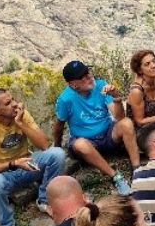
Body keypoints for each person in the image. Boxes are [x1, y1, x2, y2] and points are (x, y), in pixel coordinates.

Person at [0, 88, 68, 226]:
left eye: (13, 99)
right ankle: (7, 225)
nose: (15, 104)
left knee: (57, 154)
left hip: (28, 165)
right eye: (8, 103)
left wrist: (21, 123)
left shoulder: (20, 114)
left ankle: (44, 200)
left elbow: (44, 145)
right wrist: (13, 164)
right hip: (4, 172)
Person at [53, 60, 139, 196]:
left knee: (127, 123)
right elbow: (59, 125)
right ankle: (115, 177)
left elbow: (119, 118)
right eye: (83, 77)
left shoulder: (101, 86)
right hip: (87, 142)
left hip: (107, 134)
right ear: (73, 85)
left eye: (88, 72)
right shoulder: (65, 99)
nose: (89, 77)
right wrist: (57, 146)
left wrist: (116, 97)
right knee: (80, 144)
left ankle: (137, 169)